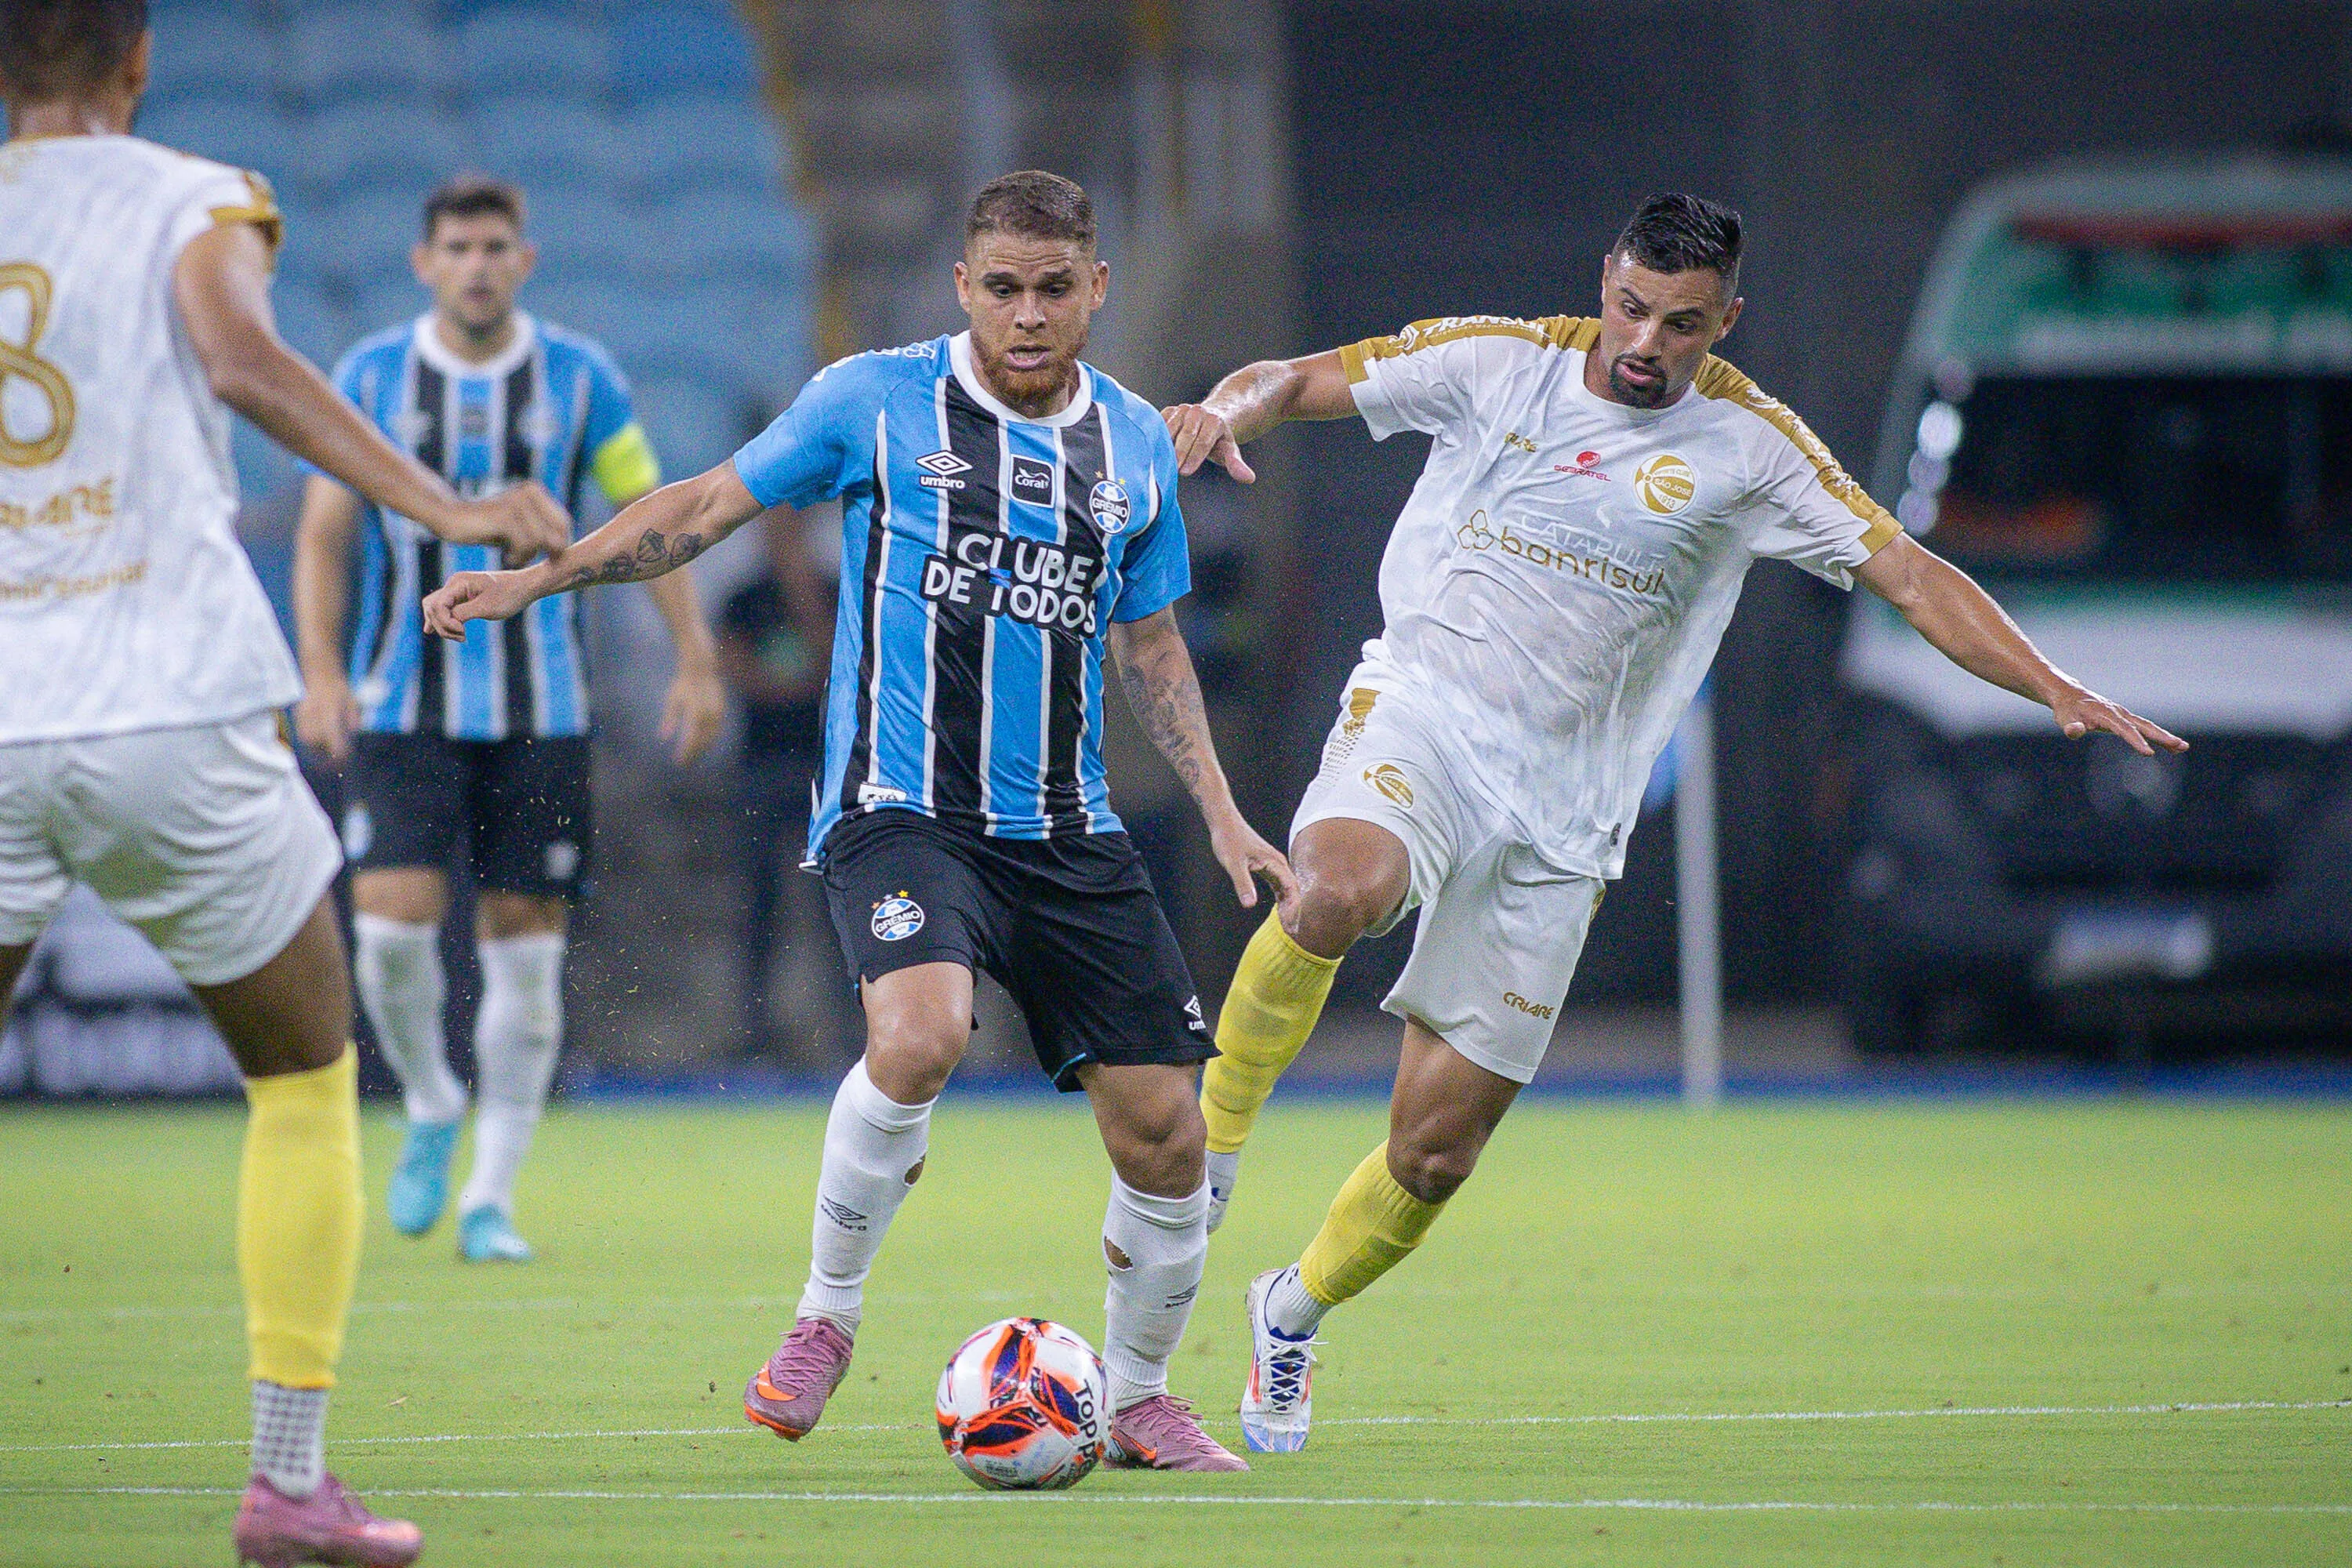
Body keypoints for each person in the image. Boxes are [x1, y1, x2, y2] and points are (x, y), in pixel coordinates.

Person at [1160, 192, 2187, 1454]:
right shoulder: (1500, 363)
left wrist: (2055, 685)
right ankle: (1206, 1152)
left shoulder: (1754, 448)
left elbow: (1909, 572)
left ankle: (1291, 1312)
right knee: (1334, 889)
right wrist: (1226, 408)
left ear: (1725, 322)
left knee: (1431, 1159)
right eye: (1633, 308)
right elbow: (1300, 378)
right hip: (1425, 714)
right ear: (1608, 280)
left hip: (1568, 814)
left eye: (1681, 325)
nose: (1646, 342)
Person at [422, 169, 1294, 1472]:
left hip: (1067, 827)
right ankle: (825, 1319)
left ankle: (1141, 1394)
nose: (1028, 314)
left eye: (1056, 288)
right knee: (926, 1030)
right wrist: (544, 576)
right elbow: (706, 506)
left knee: (1169, 1127)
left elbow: (1153, 642)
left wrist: (1222, 812)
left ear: (1097, 289)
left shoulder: (1134, 450)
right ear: (964, 287)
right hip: (902, 811)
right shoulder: (873, 401)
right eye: (1002, 287)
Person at [0, 2, 568, 1559]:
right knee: (306, 1072)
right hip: (167, 696)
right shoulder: (191, 194)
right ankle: (289, 1482)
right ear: (136, 61)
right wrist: (442, 506)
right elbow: (243, 359)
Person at [291, 175, 728, 1265]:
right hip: (405, 697)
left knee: (527, 960)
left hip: (546, 709)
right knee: (389, 929)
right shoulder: (371, 377)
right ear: (424, 263)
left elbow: (647, 521)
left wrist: (695, 656)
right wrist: (319, 670)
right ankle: (433, 1099)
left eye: (495, 246)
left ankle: (490, 1196)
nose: (478, 264)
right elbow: (324, 535)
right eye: (458, 247)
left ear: (523, 261)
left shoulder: (581, 378)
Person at [711, 506, 835, 1057]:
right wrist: (796, 686)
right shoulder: (743, 599)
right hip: (760, 768)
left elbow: (839, 662)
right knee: (760, 906)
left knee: (835, 911)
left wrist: (799, 583)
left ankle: (848, 1031)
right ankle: (754, 1031)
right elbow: (736, 670)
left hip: (822, 771)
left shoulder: (830, 589)